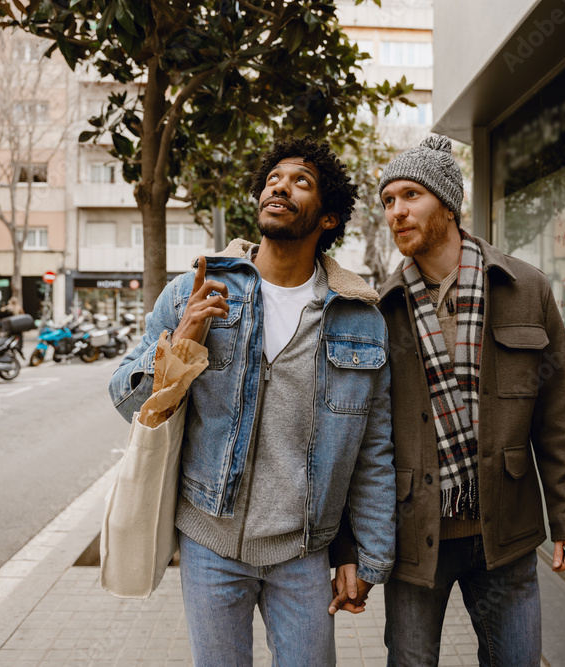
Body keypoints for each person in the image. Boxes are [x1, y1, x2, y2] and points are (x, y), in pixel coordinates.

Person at [109, 136, 395, 666]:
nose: (280, 187)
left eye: (300, 181)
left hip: (303, 550)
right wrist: (180, 345)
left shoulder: (359, 320)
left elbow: (373, 451)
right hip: (209, 542)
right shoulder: (196, 290)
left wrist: (367, 556)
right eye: (272, 179)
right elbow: (127, 401)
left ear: (328, 217)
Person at [331, 135, 565, 666]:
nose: (396, 211)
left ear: (448, 206)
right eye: (388, 200)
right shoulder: (378, 310)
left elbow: (559, 413)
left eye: (411, 195)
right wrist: (350, 547)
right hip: (416, 532)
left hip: (507, 529)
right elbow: (356, 439)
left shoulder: (525, 288)